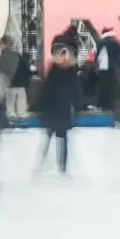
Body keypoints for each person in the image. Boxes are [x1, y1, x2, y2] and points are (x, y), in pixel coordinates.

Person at [36, 45, 80, 173]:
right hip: (53, 110)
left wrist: (76, 108)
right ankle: (42, 164)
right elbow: (45, 91)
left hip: (62, 110)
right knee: (49, 138)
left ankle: (62, 167)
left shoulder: (70, 73)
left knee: (61, 138)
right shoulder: (54, 72)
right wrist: (41, 107)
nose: (63, 59)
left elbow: (76, 93)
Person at [93, 26, 120, 111]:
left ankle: (103, 105)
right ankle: (112, 106)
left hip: (104, 68)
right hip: (115, 68)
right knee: (113, 88)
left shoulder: (102, 42)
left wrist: (96, 66)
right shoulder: (117, 42)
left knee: (103, 88)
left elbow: (99, 56)